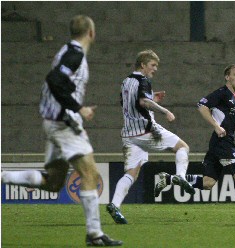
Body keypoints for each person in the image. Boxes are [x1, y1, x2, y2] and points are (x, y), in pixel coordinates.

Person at [1, 15, 122, 246]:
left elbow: (58, 80)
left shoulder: (66, 51)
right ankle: (94, 234)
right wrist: (79, 108)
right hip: (63, 122)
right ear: (91, 33)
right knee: (90, 174)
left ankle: (3, 176)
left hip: (54, 121)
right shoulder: (75, 54)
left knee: (54, 182)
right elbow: (54, 79)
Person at [155, 64, 235, 219]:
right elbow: (201, 105)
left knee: (208, 183)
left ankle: (169, 178)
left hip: (220, 142)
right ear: (227, 77)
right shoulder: (221, 93)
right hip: (223, 142)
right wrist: (216, 126)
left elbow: (232, 122)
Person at [106, 49, 195, 224]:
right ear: (143, 65)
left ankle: (114, 205)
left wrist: (153, 97)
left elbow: (134, 101)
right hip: (146, 131)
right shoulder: (143, 80)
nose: (155, 69)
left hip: (129, 134)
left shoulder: (126, 81)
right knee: (182, 147)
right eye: (153, 65)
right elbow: (143, 102)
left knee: (131, 173)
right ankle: (180, 176)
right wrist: (165, 110)